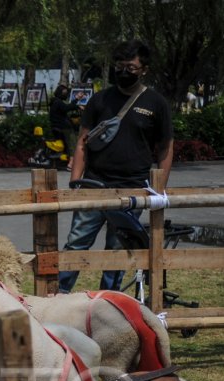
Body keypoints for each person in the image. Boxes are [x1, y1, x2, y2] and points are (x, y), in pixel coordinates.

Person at [56, 39, 173, 294]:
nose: (124, 72)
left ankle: (109, 302)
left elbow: (165, 148)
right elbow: (82, 143)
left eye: (130, 67)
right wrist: (75, 183)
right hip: (94, 185)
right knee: (76, 244)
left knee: (118, 250)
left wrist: (158, 191)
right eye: (119, 66)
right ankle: (58, 296)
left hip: (133, 189)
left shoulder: (156, 104)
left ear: (144, 69)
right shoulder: (100, 100)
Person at [48, 83, 80, 156]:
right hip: (63, 127)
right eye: (64, 93)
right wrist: (77, 99)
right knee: (72, 143)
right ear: (60, 93)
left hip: (55, 126)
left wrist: (76, 106)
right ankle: (72, 158)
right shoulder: (58, 102)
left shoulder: (54, 101)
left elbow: (65, 108)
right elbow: (66, 108)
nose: (66, 95)